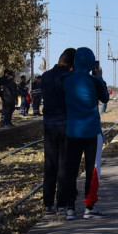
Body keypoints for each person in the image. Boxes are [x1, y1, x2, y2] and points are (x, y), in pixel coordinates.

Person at [59, 47, 109, 220]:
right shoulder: (94, 81)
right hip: (92, 132)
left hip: (72, 131)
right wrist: (99, 77)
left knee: (70, 170)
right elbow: (105, 98)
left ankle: (70, 208)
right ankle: (89, 207)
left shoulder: (65, 80)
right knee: (92, 170)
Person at [41, 48, 75, 214]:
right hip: (66, 125)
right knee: (64, 166)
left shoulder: (45, 76)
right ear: (72, 64)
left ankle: (48, 203)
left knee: (50, 164)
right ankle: (62, 203)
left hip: (49, 125)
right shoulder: (69, 77)